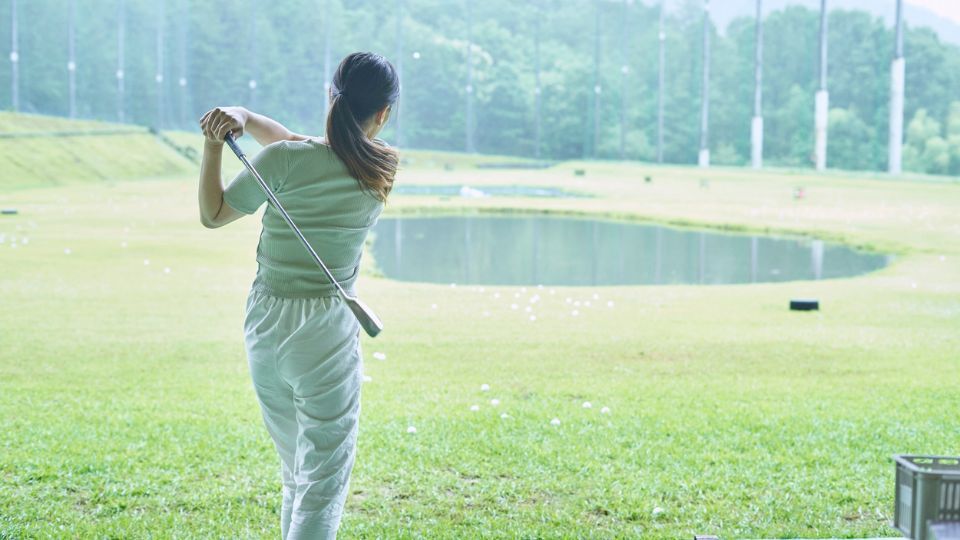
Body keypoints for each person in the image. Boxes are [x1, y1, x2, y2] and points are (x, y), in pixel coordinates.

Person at [197, 52, 399, 539]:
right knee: (322, 480)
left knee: (296, 470)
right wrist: (248, 118)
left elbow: (214, 214)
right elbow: (303, 147)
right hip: (325, 330)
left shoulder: (284, 161)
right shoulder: (383, 166)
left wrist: (214, 145)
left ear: (331, 97)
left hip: (265, 323)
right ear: (383, 114)